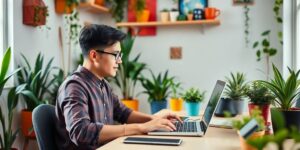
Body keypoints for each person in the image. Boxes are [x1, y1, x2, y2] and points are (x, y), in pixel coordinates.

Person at [55, 24, 182, 150]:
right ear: (94, 56)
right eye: (116, 55)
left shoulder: (103, 85)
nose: (119, 61)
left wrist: (155, 119)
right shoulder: (74, 86)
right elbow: (81, 132)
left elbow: (124, 113)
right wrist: (141, 128)